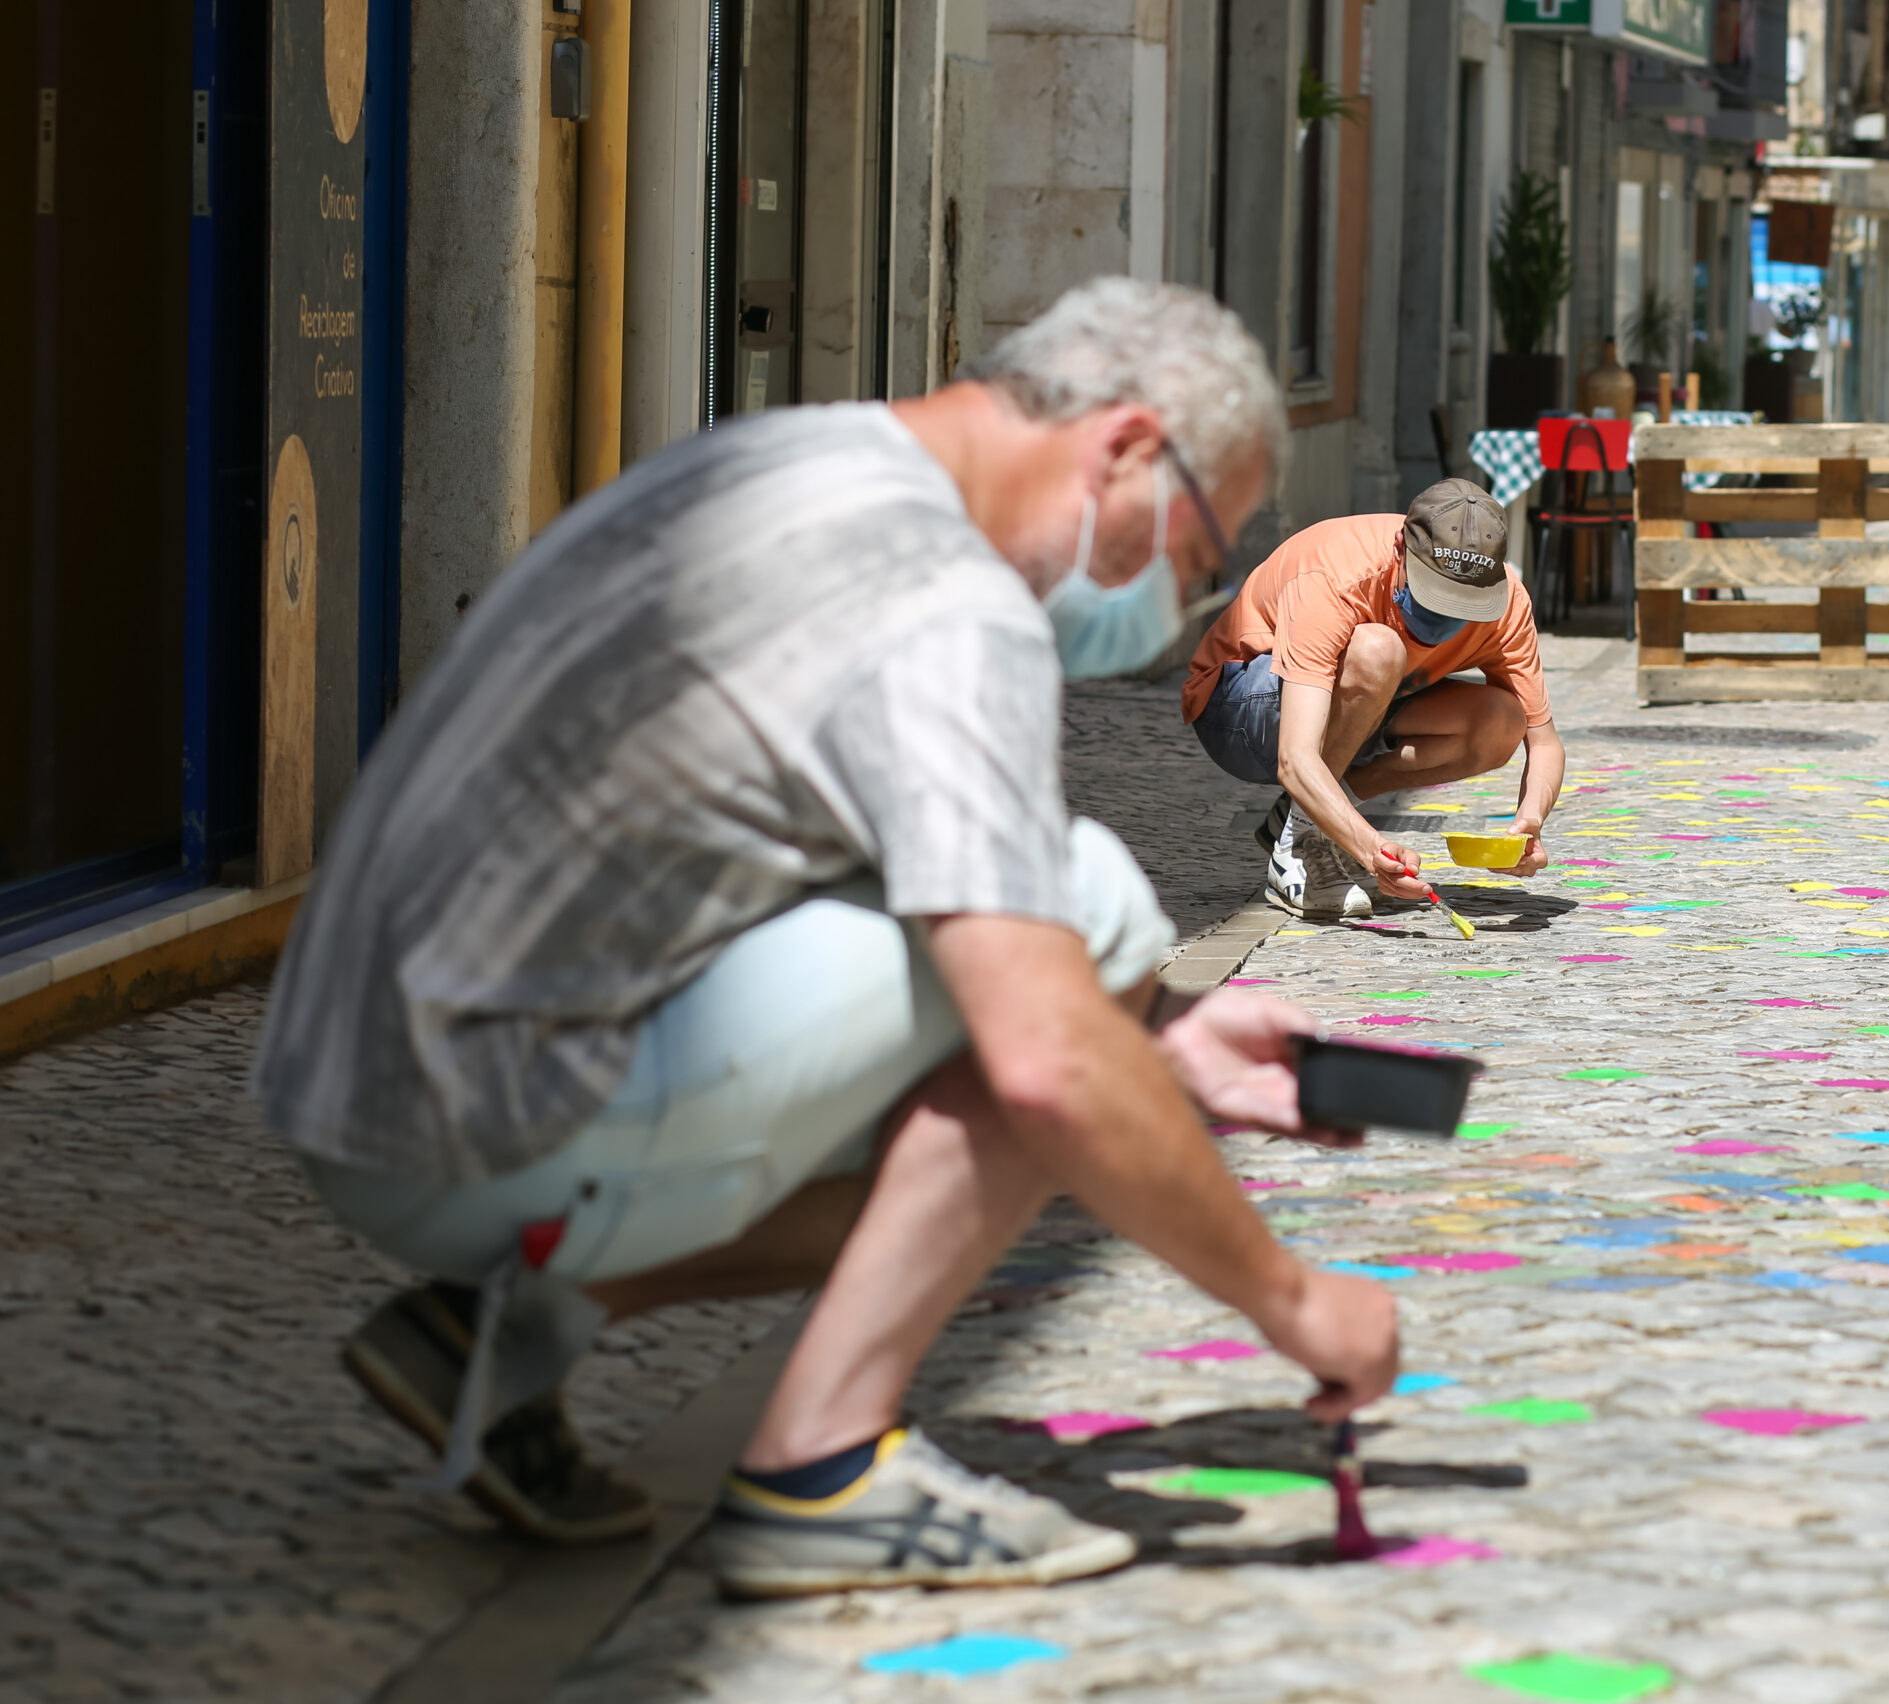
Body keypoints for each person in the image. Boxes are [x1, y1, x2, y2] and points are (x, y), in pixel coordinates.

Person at [252, 279, 1399, 1597]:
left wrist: (1168, 1039)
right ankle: (822, 1466)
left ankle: (503, 1330)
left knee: (1047, 1054)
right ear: (1128, 445)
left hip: (359, 1073)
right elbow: (1042, 1060)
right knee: (1086, 919)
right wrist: (1294, 1301)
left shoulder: (793, 454)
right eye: (1199, 556)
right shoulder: (942, 598)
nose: (1181, 603)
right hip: (479, 1114)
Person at [1183, 480, 1566, 919]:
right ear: (1401, 546)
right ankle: (1302, 844)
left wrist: (1530, 822)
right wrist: (1370, 846)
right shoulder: (1336, 573)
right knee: (1377, 649)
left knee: (1502, 719)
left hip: (1362, 704)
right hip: (1239, 708)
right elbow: (1295, 757)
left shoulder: (1507, 601)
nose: (1449, 615)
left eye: (1466, 603)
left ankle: (1302, 818)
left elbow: (1545, 741)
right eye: (1435, 593)